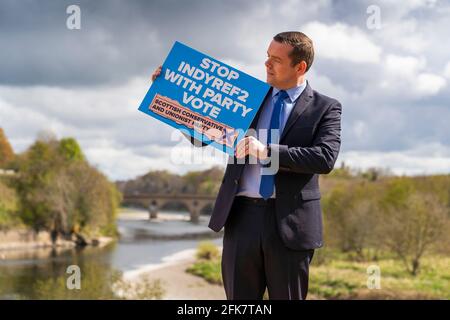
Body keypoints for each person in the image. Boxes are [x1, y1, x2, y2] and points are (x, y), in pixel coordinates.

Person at [151, 31, 342, 300]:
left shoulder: (326, 107)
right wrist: (168, 90)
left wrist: (266, 152)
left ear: (300, 66)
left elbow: (324, 158)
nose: (267, 64)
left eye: (275, 60)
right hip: (241, 219)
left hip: (289, 223)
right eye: (267, 57)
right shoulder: (248, 98)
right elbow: (201, 137)